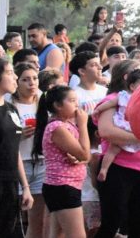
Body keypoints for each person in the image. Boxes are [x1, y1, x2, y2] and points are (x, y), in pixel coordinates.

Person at [92, 60, 140, 238]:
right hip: (118, 167)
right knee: (113, 221)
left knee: (139, 223)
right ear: (128, 78)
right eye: (137, 70)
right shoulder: (113, 99)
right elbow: (106, 131)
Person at [0, 57, 34, 236]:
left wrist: (25, 187)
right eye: (10, 73)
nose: (15, 77)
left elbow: (14, 149)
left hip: (10, 183)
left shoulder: (11, 109)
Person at [31, 85, 90, 238]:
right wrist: (83, 125)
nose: (77, 105)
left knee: (58, 234)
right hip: (63, 186)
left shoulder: (67, 125)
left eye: (77, 100)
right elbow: (85, 154)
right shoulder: (57, 127)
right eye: (71, 101)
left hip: (65, 186)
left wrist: (79, 159)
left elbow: (83, 157)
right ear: (57, 105)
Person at [93, 68, 140, 182]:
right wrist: (98, 109)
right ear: (132, 86)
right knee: (113, 149)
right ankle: (104, 169)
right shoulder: (122, 96)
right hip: (124, 127)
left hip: (139, 130)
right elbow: (109, 104)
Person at [10, 63, 46, 238]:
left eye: (34, 78)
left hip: (41, 162)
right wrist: (19, 134)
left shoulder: (43, 100)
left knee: (37, 219)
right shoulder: (9, 103)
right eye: (25, 79)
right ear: (16, 82)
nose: (31, 83)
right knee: (14, 218)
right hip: (18, 163)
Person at [70, 51, 107, 115]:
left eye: (99, 64)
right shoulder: (74, 95)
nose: (100, 67)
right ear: (82, 71)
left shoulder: (105, 91)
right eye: (94, 65)